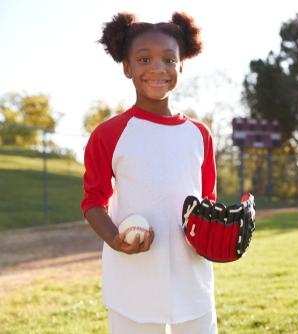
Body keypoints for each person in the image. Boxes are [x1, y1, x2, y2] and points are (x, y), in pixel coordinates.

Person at [81, 11, 218, 334]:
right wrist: (115, 240)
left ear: (181, 65)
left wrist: (216, 236)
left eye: (169, 59)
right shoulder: (109, 133)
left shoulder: (200, 134)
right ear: (127, 68)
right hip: (133, 276)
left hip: (192, 275)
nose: (158, 68)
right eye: (144, 59)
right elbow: (92, 202)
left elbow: (208, 201)